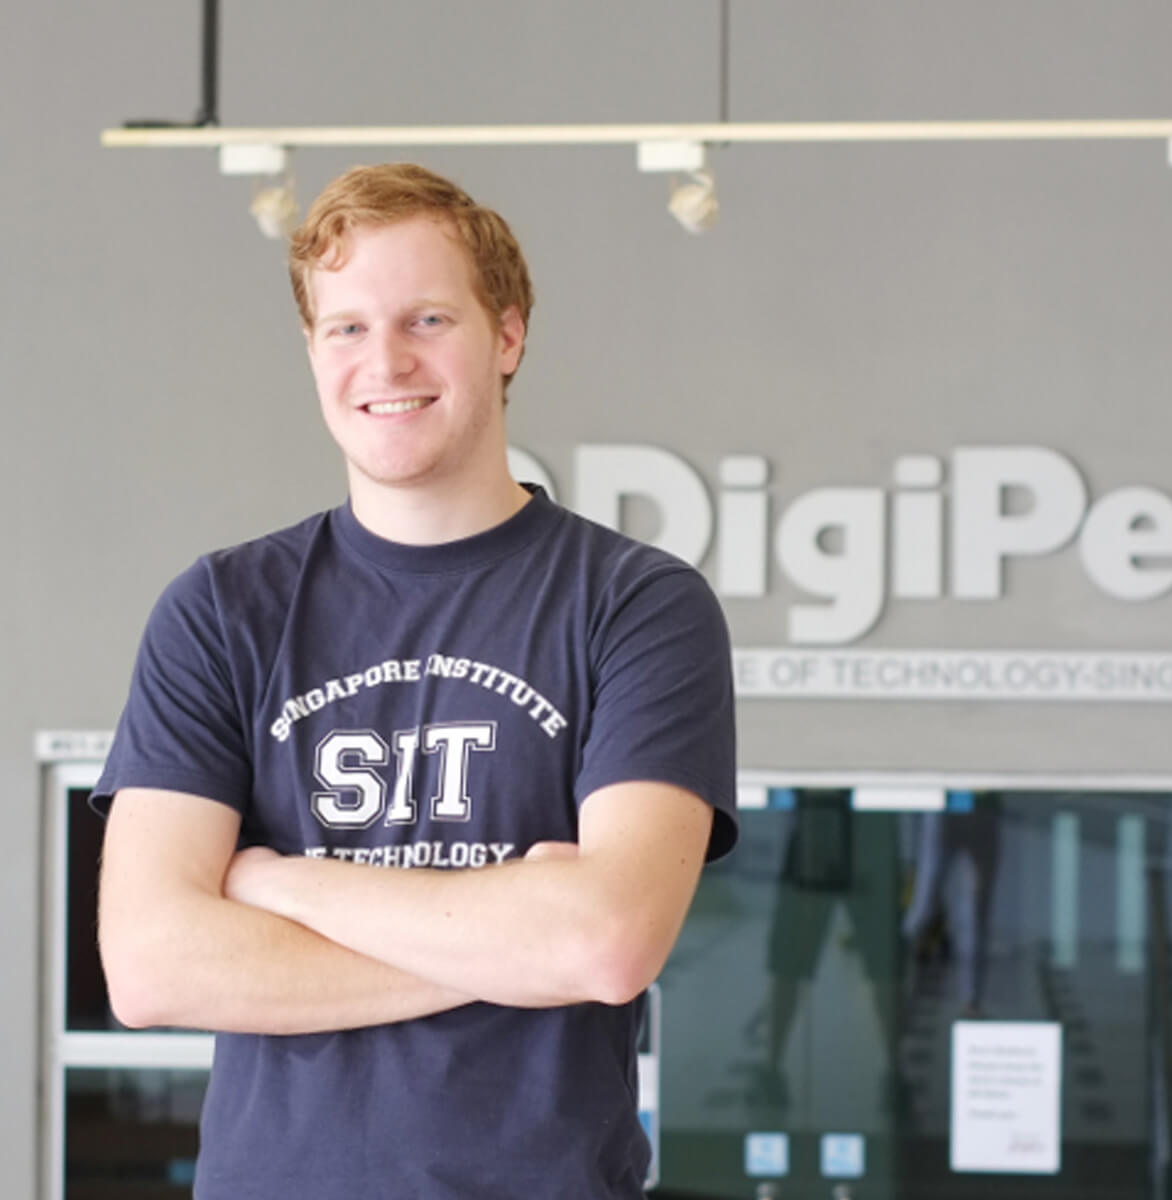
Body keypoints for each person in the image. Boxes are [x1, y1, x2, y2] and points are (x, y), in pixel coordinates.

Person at [92, 162, 739, 1198]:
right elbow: (153, 965)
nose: (383, 359)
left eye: (427, 318)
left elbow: (606, 942)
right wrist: (512, 938)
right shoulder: (219, 612)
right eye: (345, 327)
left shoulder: (636, 605)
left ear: (509, 335)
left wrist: (278, 883)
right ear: (311, 350)